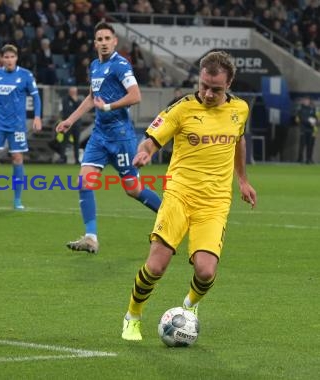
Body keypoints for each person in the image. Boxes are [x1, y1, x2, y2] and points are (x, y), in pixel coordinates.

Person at [121, 51, 257, 341]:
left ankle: (189, 306)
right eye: (204, 85)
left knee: (206, 272)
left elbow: (239, 139)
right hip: (179, 195)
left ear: (229, 83)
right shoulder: (181, 109)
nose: (207, 93)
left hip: (215, 202)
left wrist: (243, 180)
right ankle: (133, 315)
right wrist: (144, 153)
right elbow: (151, 140)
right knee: (157, 265)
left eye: (216, 89)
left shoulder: (240, 110)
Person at [56, 22, 161, 254]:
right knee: (84, 182)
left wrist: (109, 107)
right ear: (95, 43)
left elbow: (136, 96)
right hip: (99, 136)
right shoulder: (94, 66)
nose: (103, 42)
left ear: (114, 42)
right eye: (99, 39)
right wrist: (70, 120)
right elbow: (92, 98)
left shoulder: (121, 65)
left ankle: (172, 219)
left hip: (121, 137)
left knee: (133, 189)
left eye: (107, 39)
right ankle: (91, 237)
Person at [0, 44, 42, 210]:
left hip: (17, 125)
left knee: (17, 159)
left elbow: (36, 97)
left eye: (12, 57)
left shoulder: (25, 75)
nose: (9, 60)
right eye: (6, 57)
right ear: (1, 59)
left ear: (16, 58)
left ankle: (17, 199)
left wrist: (37, 117)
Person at [60, 86, 82, 164]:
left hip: (77, 124)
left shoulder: (78, 100)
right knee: (65, 141)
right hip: (67, 124)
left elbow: (79, 110)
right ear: (69, 92)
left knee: (77, 142)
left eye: (75, 91)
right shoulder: (65, 99)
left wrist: (75, 101)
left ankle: (77, 159)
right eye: (72, 91)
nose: (73, 93)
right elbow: (67, 110)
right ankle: (62, 158)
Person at [296, 96, 317, 164]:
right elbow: (302, 119)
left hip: (311, 130)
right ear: (303, 101)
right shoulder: (300, 109)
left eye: (308, 100)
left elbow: (315, 117)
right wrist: (310, 122)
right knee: (302, 145)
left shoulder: (312, 109)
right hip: (304, 130)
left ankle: (309, 159)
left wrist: (315, 122)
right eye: (305, 100)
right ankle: (300, 159)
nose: (307, 101)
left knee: (310, 145)